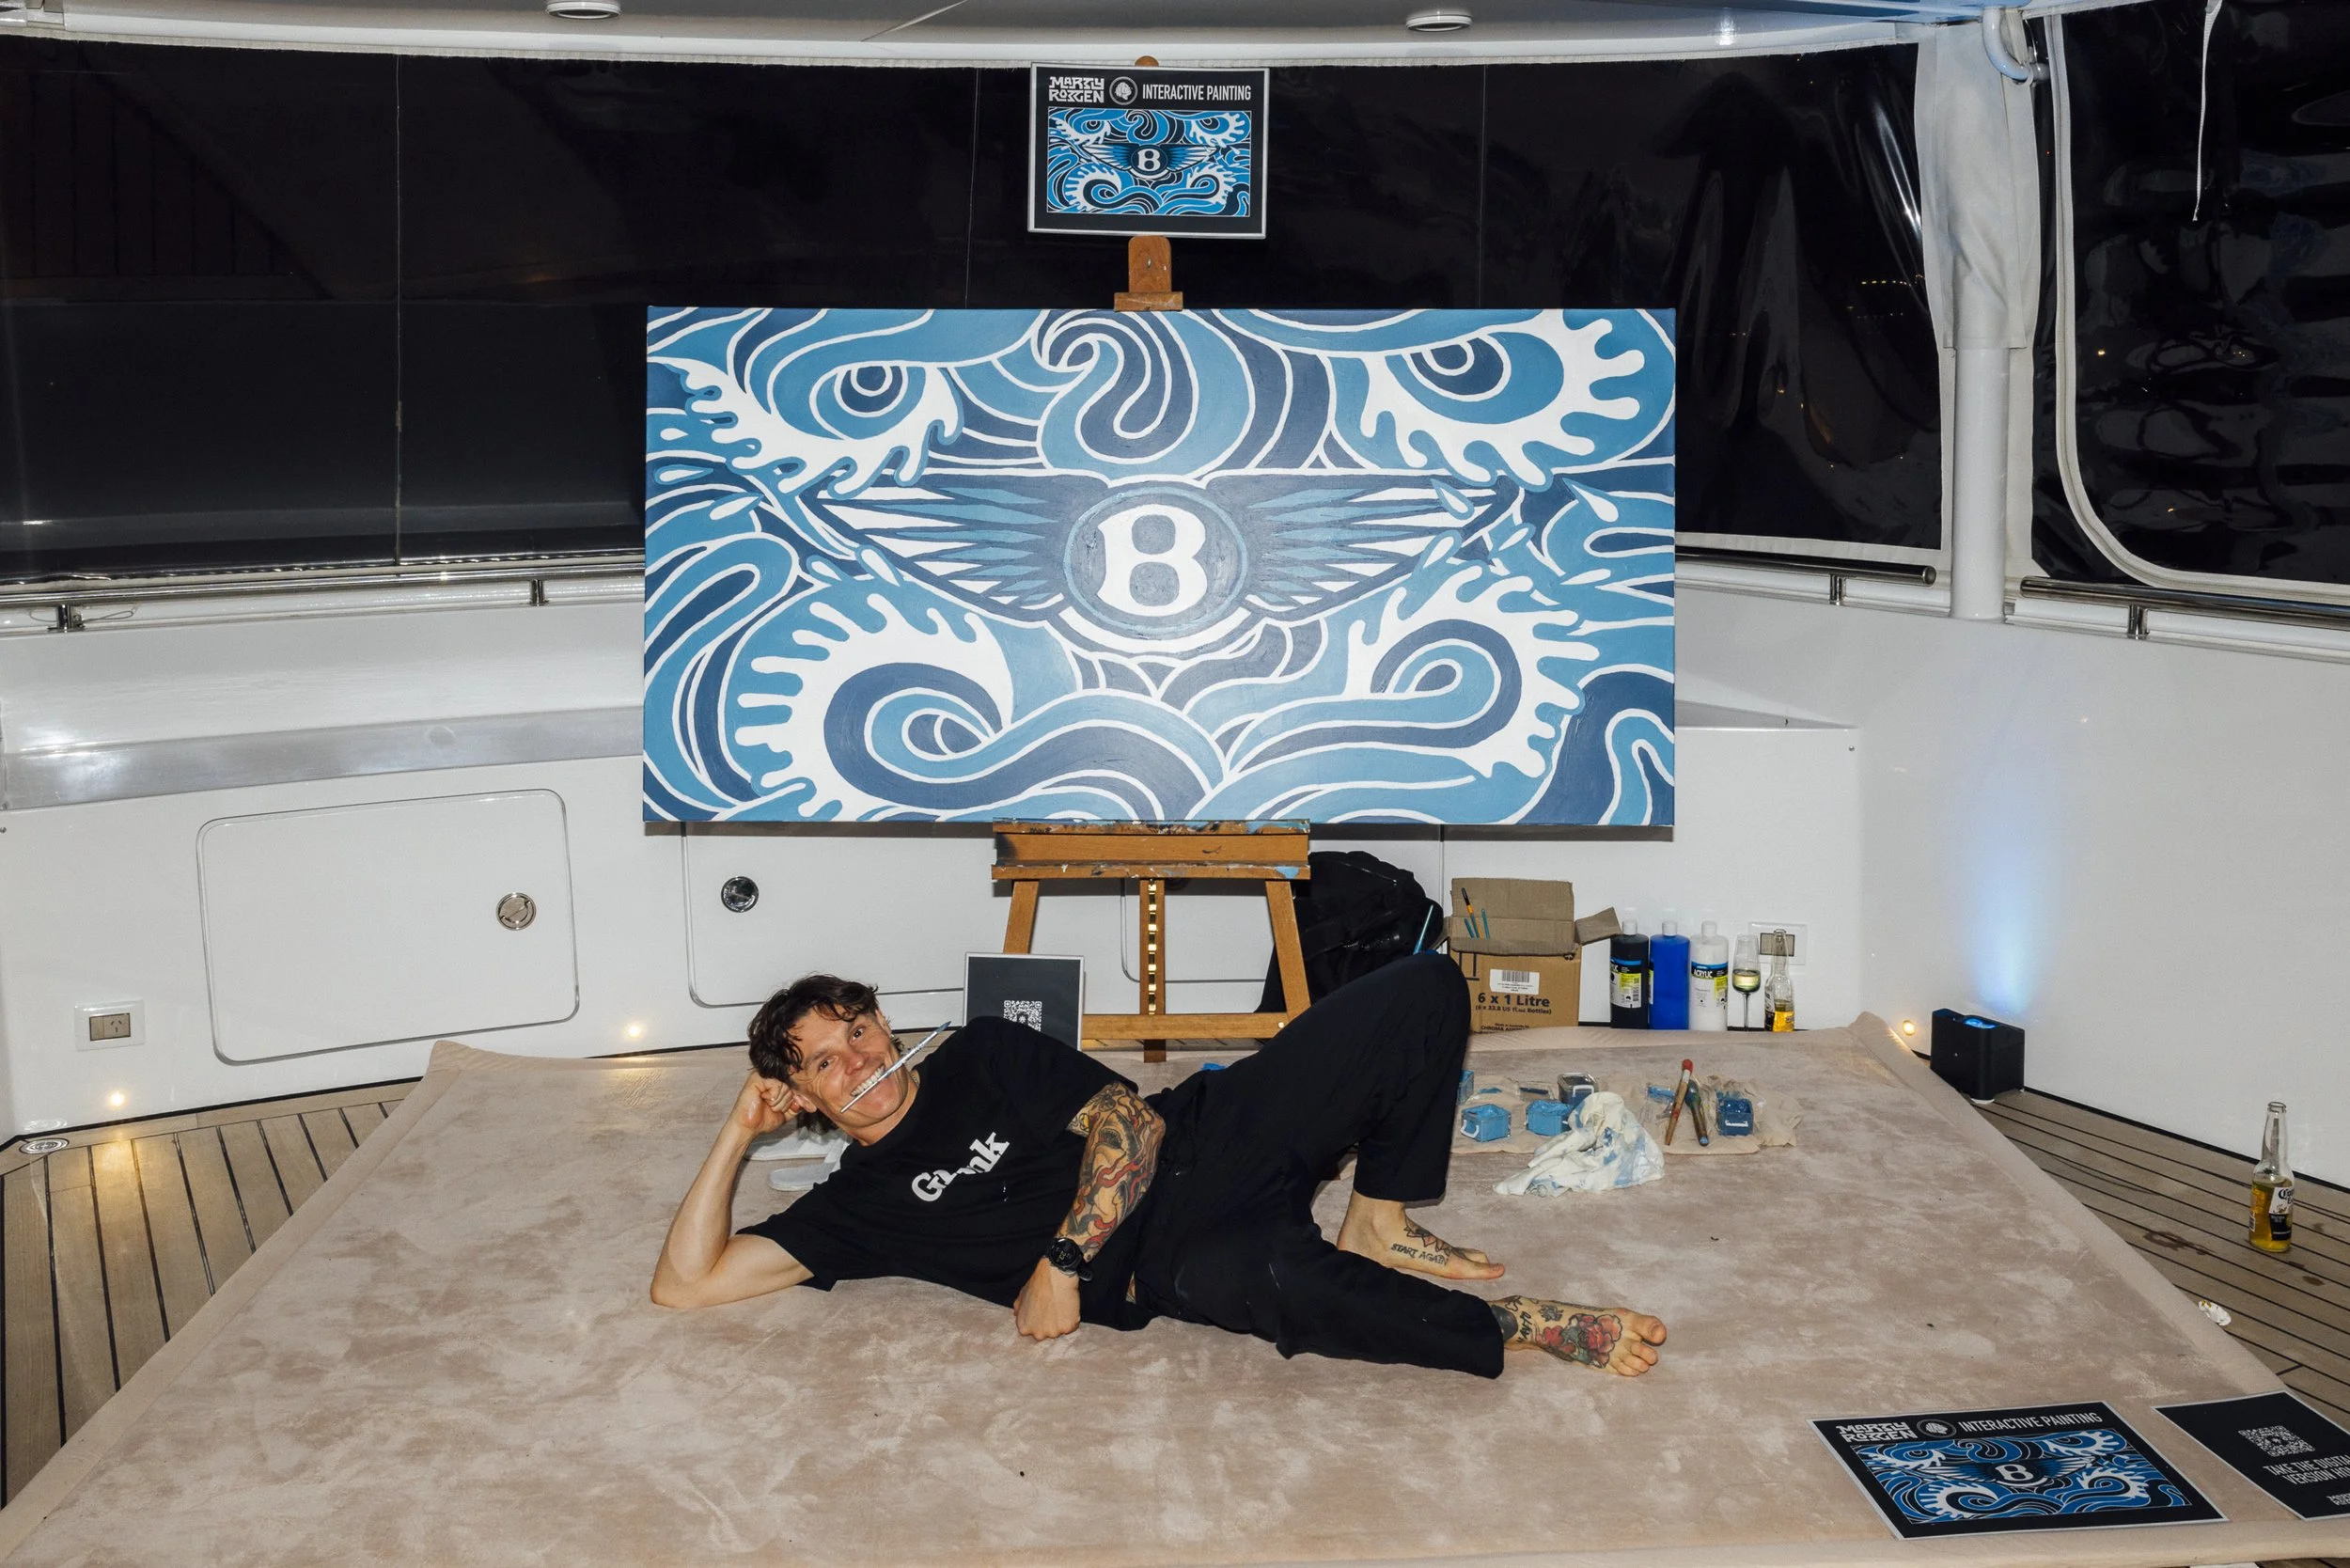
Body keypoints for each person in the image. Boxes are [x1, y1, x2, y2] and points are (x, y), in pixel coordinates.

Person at [651, 952, 1666, 1378]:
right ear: (802, 1098)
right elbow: (686, 1284)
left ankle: (1379, 1215)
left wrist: (1058, 1263)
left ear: (883, 1023)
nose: (860, 1060)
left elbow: (1129, 1127)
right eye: (825, 1062)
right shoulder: (857, 1208)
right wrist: (737, 1130)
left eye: (860, 1030)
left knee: (1425, 988)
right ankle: (1515, 1325)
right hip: (1169, 1257)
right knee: (1284, 1288)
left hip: (1207, 1132)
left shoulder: (978, 1051)